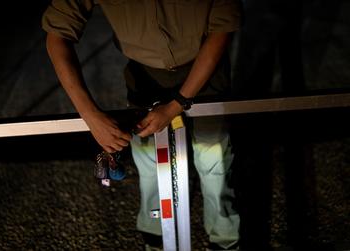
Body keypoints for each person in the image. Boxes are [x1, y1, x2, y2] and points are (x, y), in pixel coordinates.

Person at [42, 1, 241, 250]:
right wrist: (91, 116)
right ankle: (155, 238)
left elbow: (223, 26)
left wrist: (175, 105)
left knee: (214, 162)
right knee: (150, 165)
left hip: (206, 68)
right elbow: (57, 34)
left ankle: (225, 240)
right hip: (145, 77)